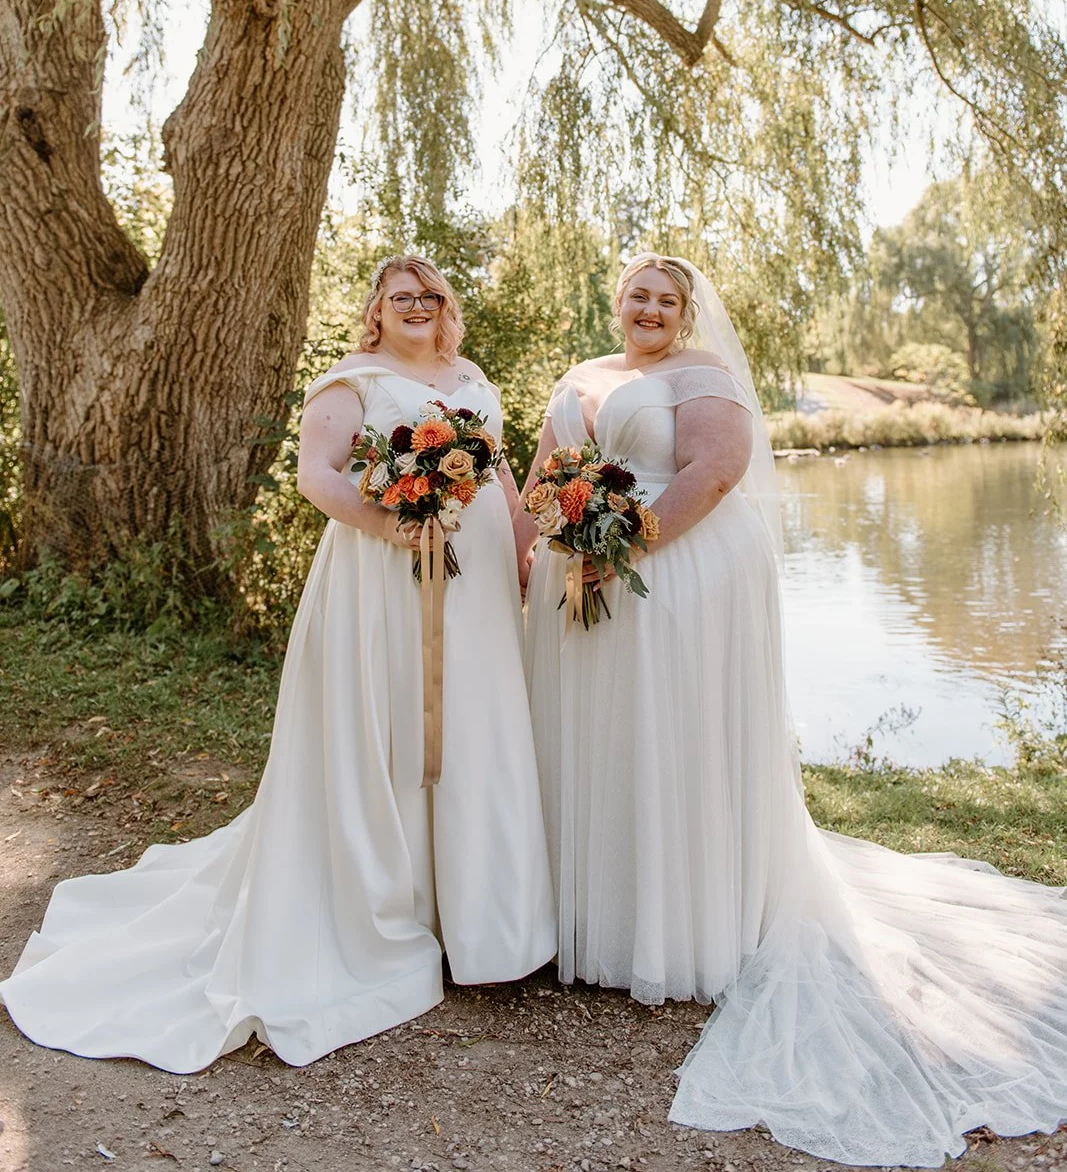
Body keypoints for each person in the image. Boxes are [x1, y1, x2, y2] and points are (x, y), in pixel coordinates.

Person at [517, 252, 1067, 1167]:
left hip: (671, 574)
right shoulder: (580, 375)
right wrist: (533, 552)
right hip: (578, 575)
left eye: (665, 299)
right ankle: (584, 911)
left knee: (668, 742)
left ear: (685, 312)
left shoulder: (701, 375)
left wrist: (623, 551)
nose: (649, 309)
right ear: (616, 302)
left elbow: (714, 472)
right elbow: (541, 477)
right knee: (593, 741)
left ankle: (674, 924)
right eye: (636, 295)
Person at [1, 254, 554, 1072]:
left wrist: (520, 555)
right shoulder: (352, 381)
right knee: (389, 720)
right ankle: (385, 909)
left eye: (429, 295)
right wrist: (391, 525)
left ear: (446, 306)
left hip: (474, 587)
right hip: (382, 577)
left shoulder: (470, 375)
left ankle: (483, 920)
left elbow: (499, 471)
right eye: (399, 295)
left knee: (475, 724)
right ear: (375, 309)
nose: (416, 305)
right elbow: (316, 476)